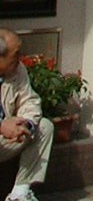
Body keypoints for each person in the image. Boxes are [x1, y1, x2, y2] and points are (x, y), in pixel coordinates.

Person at [0, 29, 53, 201]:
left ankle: (19, 193)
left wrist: (26, 124)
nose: (20, 57)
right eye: (16, 54)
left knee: (44, 127)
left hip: (7, 139)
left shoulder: (17, 69)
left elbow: (30, 101)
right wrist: (1, 126)